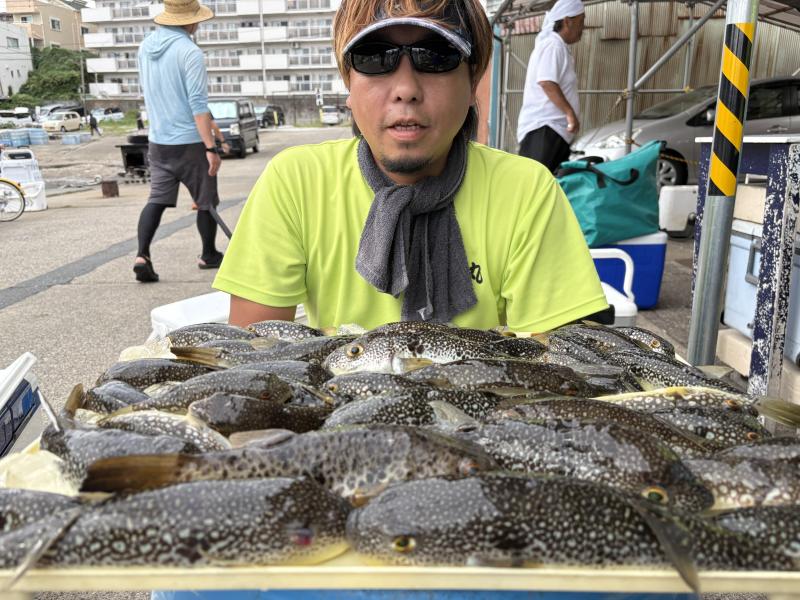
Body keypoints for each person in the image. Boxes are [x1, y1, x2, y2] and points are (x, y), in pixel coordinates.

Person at [213, 0, 607, 334]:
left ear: (472, 83)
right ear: (348, 82)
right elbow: (256, 364)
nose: (406, 89)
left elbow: (565, 371)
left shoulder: (527, 191)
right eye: (374, 57)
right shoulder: (296, 182)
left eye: (435, 57)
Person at [132, 0, 224, 283]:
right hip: (190, 143)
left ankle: (142, 255)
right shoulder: (189, 51)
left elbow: (159, 92)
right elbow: (196, 103)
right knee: (206, 200)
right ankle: (208, 254)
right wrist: (211, 147)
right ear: (189, 21)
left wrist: (214, 128)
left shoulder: (145, 47)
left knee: (156, 200)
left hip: (158, 141)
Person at [517, 0, 585, 173]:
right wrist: (570, 114)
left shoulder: (558, 46)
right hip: (544, 129)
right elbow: (547, 82)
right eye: (581, 21)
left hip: (553, 131)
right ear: (567, 21)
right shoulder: (553, 45)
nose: (583, 27)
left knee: (549, 187)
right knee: (537, 187)